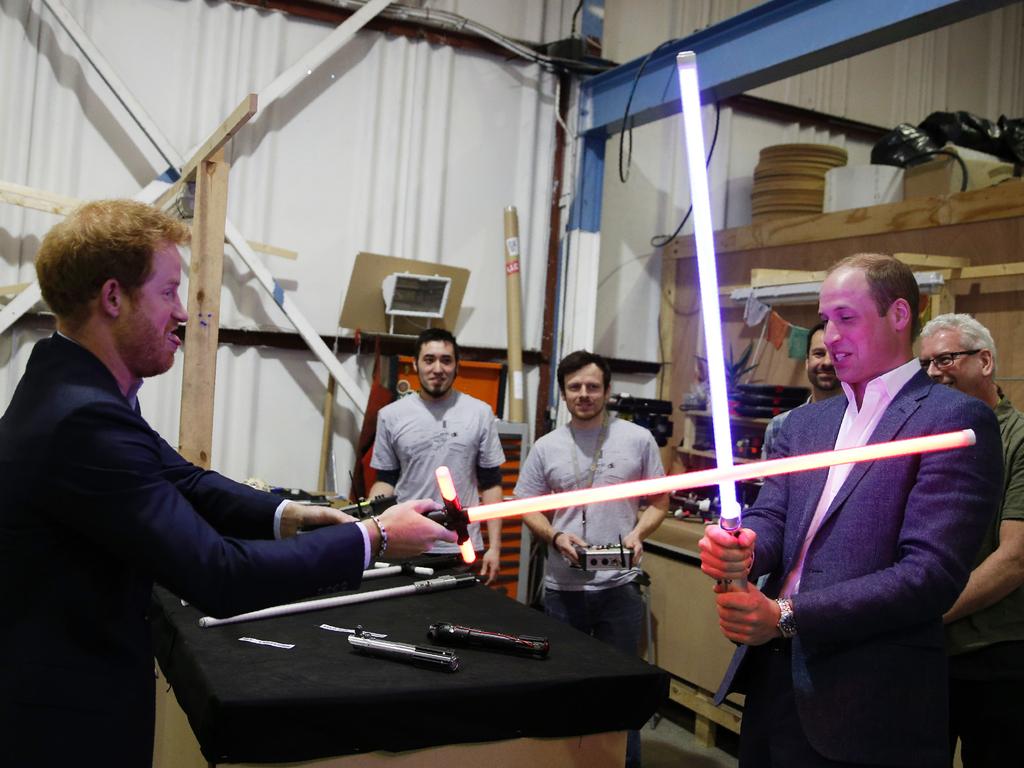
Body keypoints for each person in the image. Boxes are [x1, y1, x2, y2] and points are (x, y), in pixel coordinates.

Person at [0, 200, 453, 766]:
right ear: (114, 298)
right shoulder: (82, 419)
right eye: (168, 292)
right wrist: (375, 540)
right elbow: (219, 574)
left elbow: (181, 479)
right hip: (66, 725)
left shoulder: (68, 383)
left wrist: (290, 514)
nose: (183, 313)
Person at [699, 253, 1002, 767]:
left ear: (899, 315)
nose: (831, 335)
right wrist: (744, 549)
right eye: (826, 319)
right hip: (773, 681)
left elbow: (929, 575)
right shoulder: (808, 425)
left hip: (868, 698)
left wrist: (786, 616)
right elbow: (773, 515)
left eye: (847, 318)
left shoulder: (953, 420)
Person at [515, 350, 668, 768]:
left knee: (622, 689)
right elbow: (525, 503)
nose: (584, 394)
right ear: (563, 393)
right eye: (575, 387)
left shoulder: (638, 440)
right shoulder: (547, 447)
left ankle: (623, 763)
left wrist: (637, 534)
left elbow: (659, 500)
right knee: (565, 686)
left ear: (608, 390)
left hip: (620, 588)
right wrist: (555, 534)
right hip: (563, 590)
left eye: (593, 386)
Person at [918, 313, 1024, 767]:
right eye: (925, 363)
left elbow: (1014, 560)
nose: (933, 373)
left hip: (993, 657)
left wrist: (927, 612)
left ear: (984, 361)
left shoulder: (1016, 440)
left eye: (945, 359)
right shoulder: (925, 440)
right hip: (924, 654)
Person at [369, 328, 505, 583]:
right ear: (416, 365)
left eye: (446, 360)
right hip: (407, 541)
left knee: (462, 617)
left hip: (461, 545)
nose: (438, 368)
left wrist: (495, 547)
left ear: (456, 367)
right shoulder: (390, 416)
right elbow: (386, 479)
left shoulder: (480, 413)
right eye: (429, 359)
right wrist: (370, 526)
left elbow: (490, 483)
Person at [761, 321, 840, 459]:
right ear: (807, 362)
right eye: (819, 353)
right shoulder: (779, 427)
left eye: (836, 354)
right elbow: (770, 480)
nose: (827, 362)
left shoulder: (863, 425)